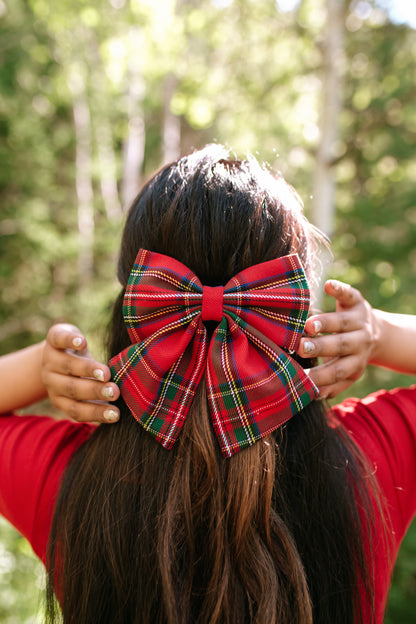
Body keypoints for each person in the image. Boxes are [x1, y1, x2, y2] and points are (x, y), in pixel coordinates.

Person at [0, 145, 415, 624]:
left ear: (136, 303)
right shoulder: (370, 460)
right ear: (291, 310)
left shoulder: (63, 478)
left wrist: (38, 369)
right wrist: (381, 334)